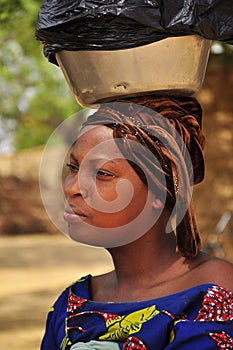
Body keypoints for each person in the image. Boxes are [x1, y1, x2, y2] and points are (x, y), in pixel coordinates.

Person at [41, 96, 233, 350]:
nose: (73, 188)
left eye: (102, 174)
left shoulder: (213, 293)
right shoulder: (71, 304)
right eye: (73, 167)